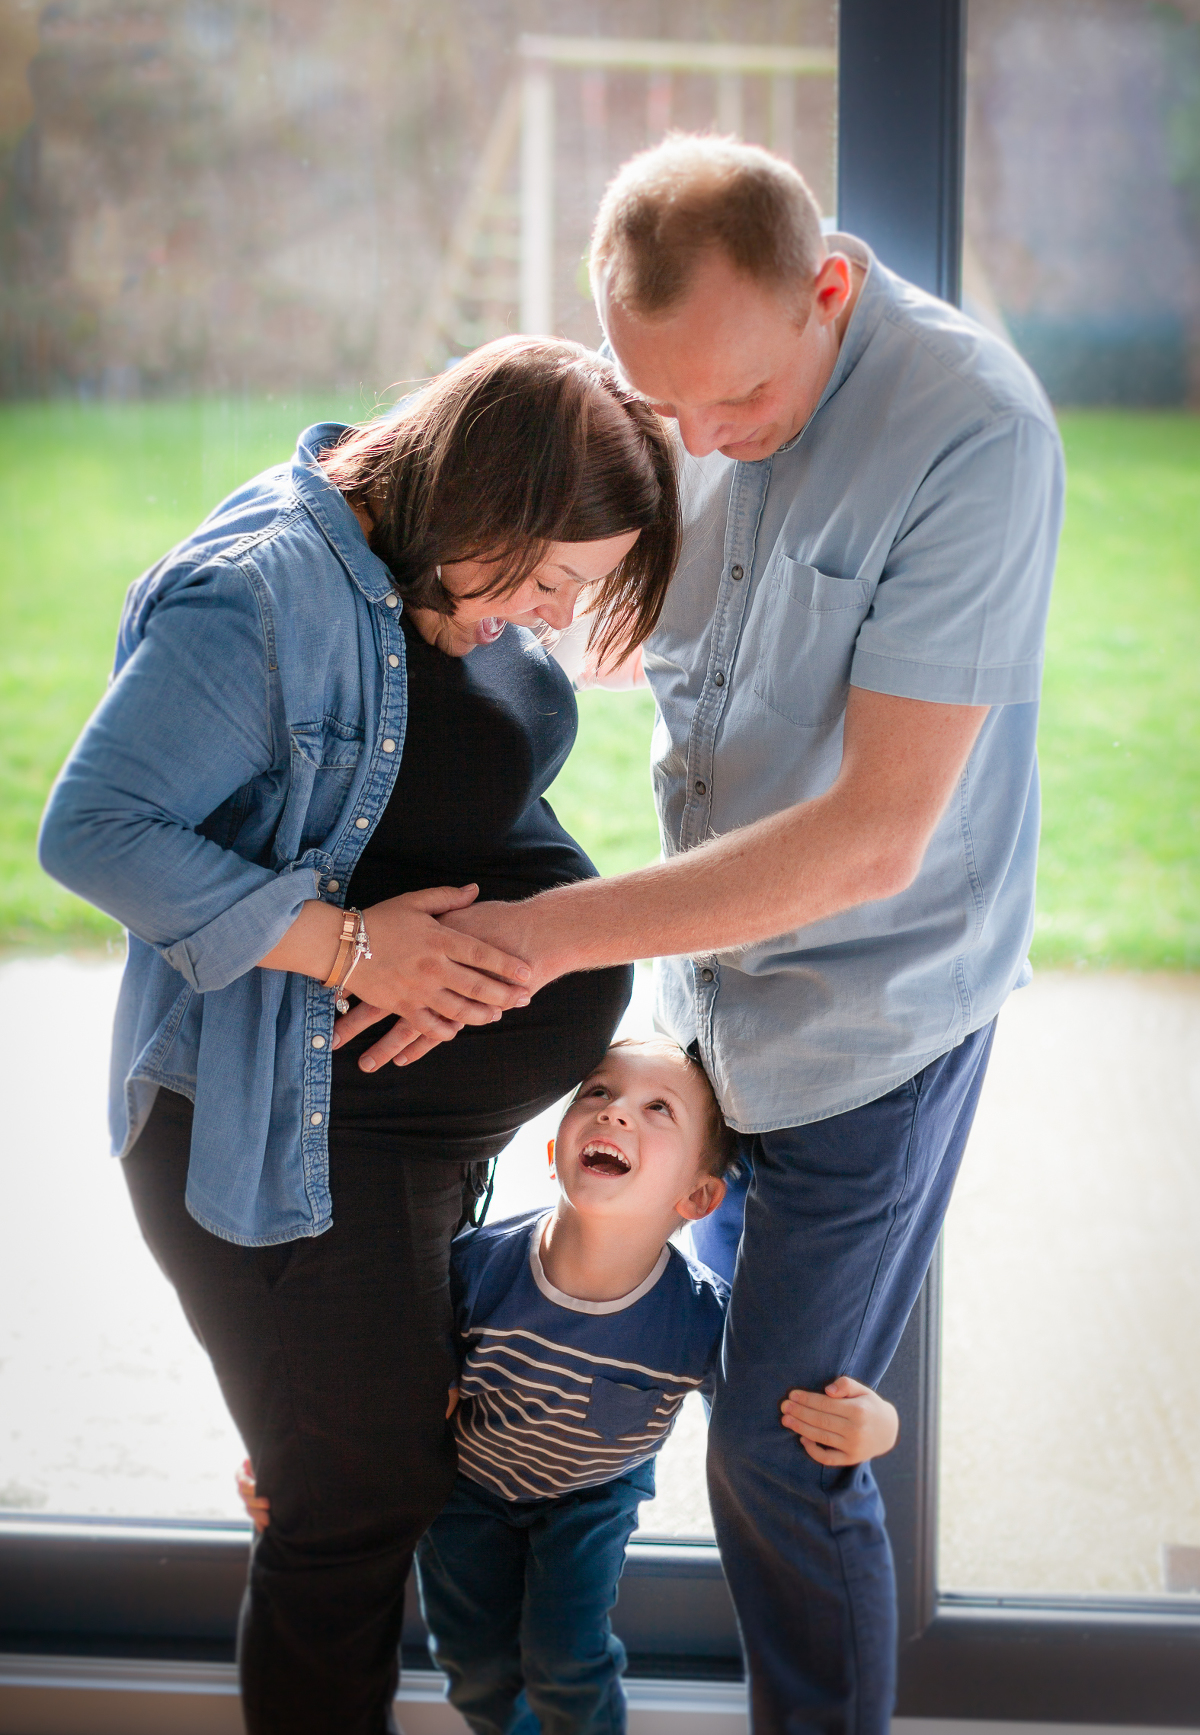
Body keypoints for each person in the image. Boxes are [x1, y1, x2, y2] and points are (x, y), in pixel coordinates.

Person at [337, 136, 1065, 1732]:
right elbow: (604, 621)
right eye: (666, 408)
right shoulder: (684, 390)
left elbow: (877, 836)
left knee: (779, 1446)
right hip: (720, 1013)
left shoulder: (975, 433)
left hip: (879, 1022)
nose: (701, 443)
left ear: (828, 288)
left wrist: (540, 936)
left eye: (735, 408)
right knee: (762, 1393)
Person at [36, 337, 683, 1735]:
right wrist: (353, 942)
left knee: (375, 1474)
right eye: (545, 578)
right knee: (356, 1502)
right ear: (485, 493)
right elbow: (91, 831)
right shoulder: (258, 594)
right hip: (273, 1131)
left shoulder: (426, 566)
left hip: (394, 1138)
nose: (545, 614)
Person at [237, 1037, 899, 1735]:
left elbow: (771, 1410)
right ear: (554, 1151)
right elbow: (367, 1376)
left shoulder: (701, 1317)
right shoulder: (476, 1271)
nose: (615, 1114)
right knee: (477, 1664)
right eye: (598, 1092)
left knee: (565, 1660)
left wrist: (877, 1425)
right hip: (466, 1493)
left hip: (590, 1500)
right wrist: (296, 1463)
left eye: (656, 1109)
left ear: (699, 1197)